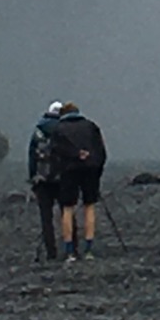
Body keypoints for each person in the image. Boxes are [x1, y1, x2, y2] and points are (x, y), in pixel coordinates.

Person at [54, 103, 107, 261]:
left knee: (68, 208)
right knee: (89, 206)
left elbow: (56, 150)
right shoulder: (91, 126)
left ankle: (70, 250)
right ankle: (89, 247)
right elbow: (101, 151)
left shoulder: (59, 129)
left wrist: (73, 156)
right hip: (90, 169)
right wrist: (97, 170)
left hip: (69, 170)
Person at [27, 100, 64, 259]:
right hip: (63, 178)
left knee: (46, 218)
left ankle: (51, 252)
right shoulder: (65, 129)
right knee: (67, 213)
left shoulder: (39, 129)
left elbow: (32, 155)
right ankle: (72, 248)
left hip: (42, 179)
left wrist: (32, 176)